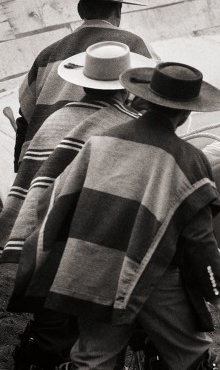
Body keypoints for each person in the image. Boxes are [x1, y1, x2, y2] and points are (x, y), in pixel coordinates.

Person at [7, 62, 220, 370]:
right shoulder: (189, 160)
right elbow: (199, 238)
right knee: (191, 355)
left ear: (145, 100)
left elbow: (55, 200)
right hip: (154, 278)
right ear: (185, 114)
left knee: (93, 359)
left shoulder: (99, 143)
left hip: (92, 270)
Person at [0, 41, 155, 370]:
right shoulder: (129, 127)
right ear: (125, 86)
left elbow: (33, 183)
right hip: (98, 251)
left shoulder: (55, 120)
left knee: (51, 332)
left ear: (84, 81)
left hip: (46, 246)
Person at [14, 0, 152, 173]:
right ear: (118, 12)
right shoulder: (133, 47)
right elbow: (154, 104)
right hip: (98, 164)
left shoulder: (47, 55)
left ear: (80, 9)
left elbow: (24, 118)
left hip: (38, 165)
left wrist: (20, 169)